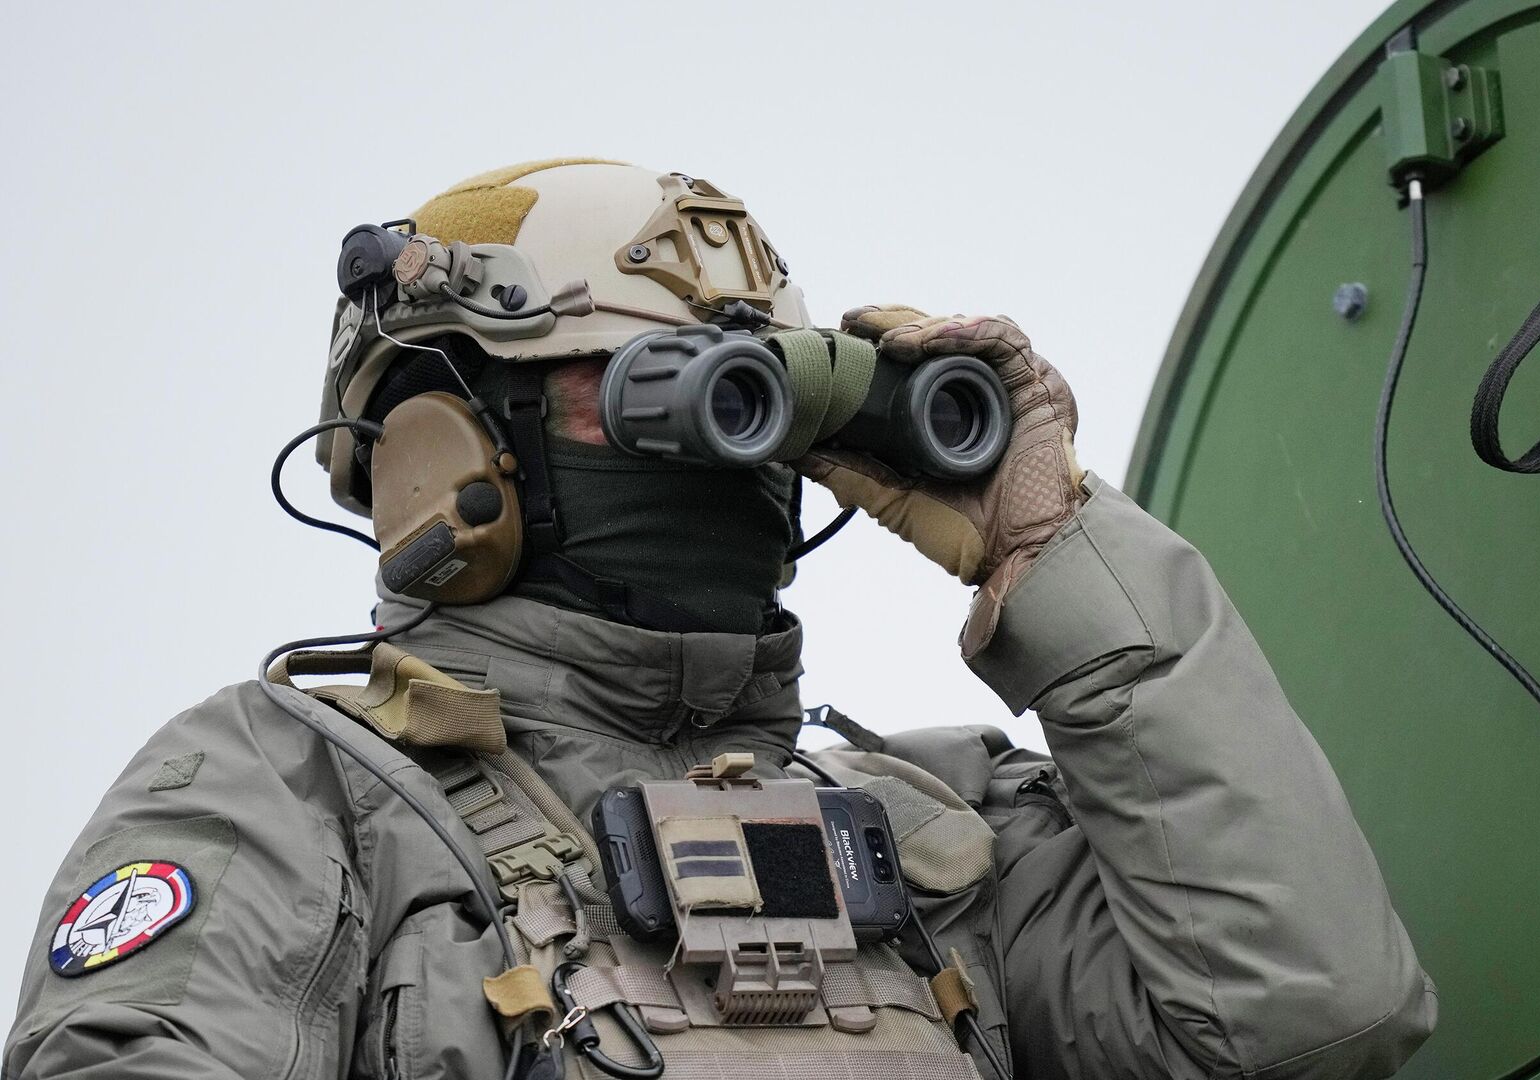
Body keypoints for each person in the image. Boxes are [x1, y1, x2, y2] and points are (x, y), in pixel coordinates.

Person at [5, 160, 1435, 1080]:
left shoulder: (938, 832)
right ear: (439, 450)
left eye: (754, 399)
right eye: (650, 388)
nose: (727, 460)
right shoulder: (293, 791)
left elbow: (1315, 1019)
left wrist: (1058, 551)